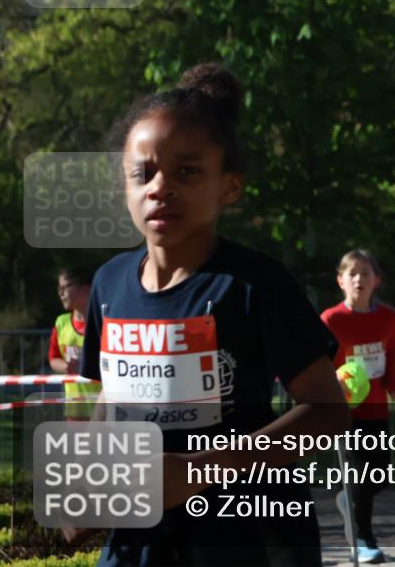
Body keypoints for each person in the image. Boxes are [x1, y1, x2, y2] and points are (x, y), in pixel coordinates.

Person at [77, 63, 351, 566]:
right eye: (144, 172)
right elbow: (111, 398)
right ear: (125, 185)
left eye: (187, 171)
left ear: (228, 187)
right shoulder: (109, 283)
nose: (160, 187)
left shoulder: (255, 284)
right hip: (141, 538)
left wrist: (200, 470)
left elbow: (329, 411)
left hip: (244, 536)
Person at [321, 249, 395, 564]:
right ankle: (364, 540)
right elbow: (320, 363)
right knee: (361, 475)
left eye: (366, 273)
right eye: (352, 273)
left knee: (380, 474)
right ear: (341, 280)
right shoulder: (331, 320)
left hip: (376, 408)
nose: (359, 279)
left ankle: (348, 501)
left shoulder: (388, 318)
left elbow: (389, 355)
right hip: (345, 411)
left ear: (377, 281)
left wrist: (393, 384)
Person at [48, 266, 102, 420]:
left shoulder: (105, 322)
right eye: (59, 288)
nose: (61, 293)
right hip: (74, 410)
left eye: (66, 287)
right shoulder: (61, 323)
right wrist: (66, 366)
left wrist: (88, 367)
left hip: (103, 409)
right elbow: (53, 358)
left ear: (85, 289)